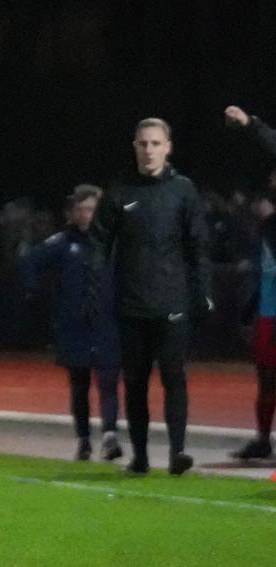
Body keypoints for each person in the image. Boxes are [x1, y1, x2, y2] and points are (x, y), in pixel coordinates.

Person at [90, 118, 212, 476]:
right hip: (131, 303)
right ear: (135, 146)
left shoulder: (184, 190)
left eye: (156, 143)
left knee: (174, 376)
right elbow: (99, 241)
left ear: (168, 147)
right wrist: (95, 286)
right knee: (136, 382)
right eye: (143, 143)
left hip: (173, 303)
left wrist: (202, 292)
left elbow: (197, 245)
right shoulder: (118, 190)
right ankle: (140, 457)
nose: (149, 150)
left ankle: (178, 452)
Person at [20, 185, 122, 462]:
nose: (87, 215)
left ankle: (110, 435)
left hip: (107, 325)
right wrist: (33, 291)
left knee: (108, 381)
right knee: (79, 386)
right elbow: (29, 261)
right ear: (73, 213)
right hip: (74, 326)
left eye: (92, 209)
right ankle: (84, 440)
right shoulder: (62, 243)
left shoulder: (114, 243)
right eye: (82, 210)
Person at [224, 106, 276, 459]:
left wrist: (251, 124)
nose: (271, 180)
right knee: (266, 375)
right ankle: (261, 439)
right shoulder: (268, 223)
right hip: (269, 308)